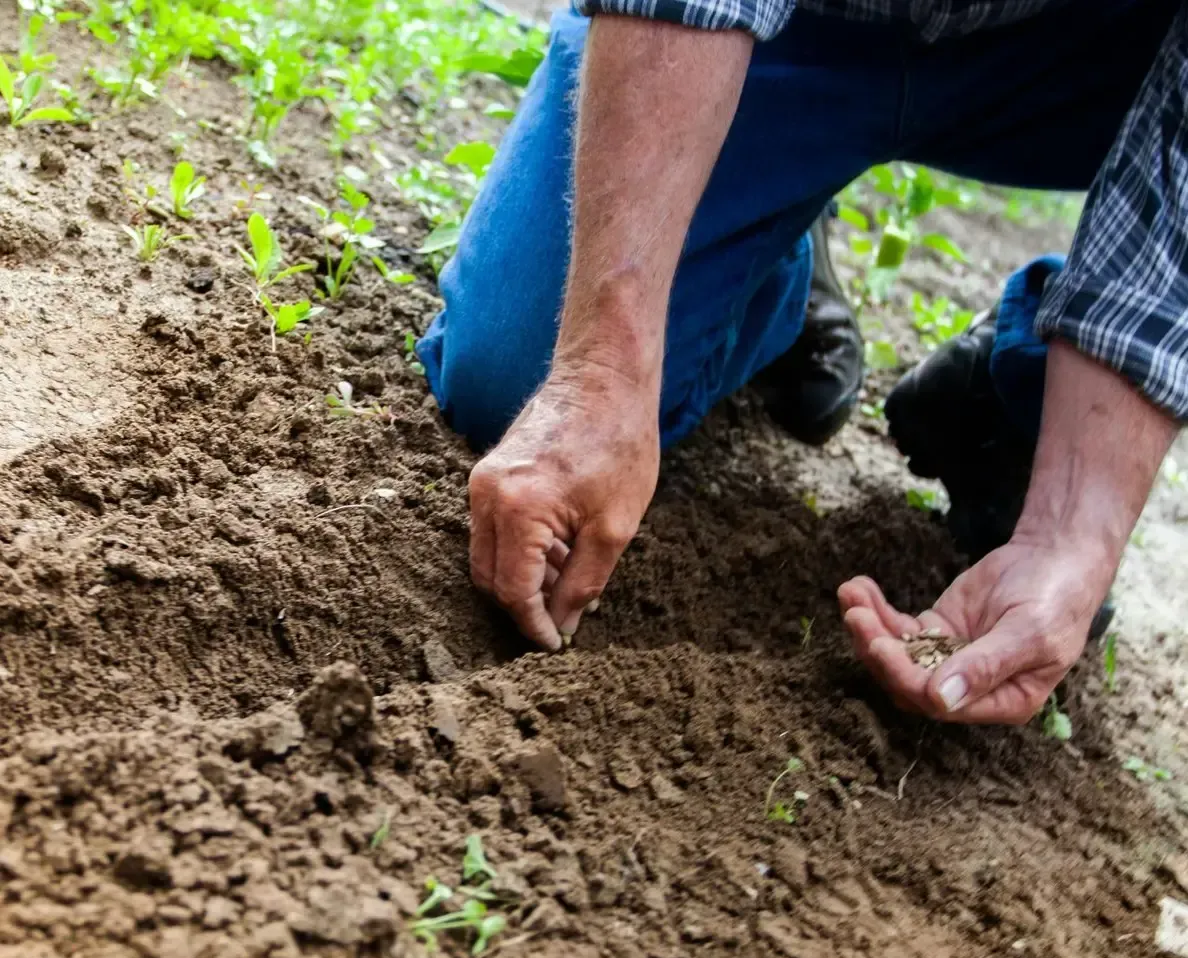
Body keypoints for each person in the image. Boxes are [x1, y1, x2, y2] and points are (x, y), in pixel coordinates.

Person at [416, 0, 1185, 726]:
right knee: (515, 375)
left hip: (1091, 52)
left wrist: (1069, 537)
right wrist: (603, 371)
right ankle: (772, 249)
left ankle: (1027, 390)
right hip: (801, 26)